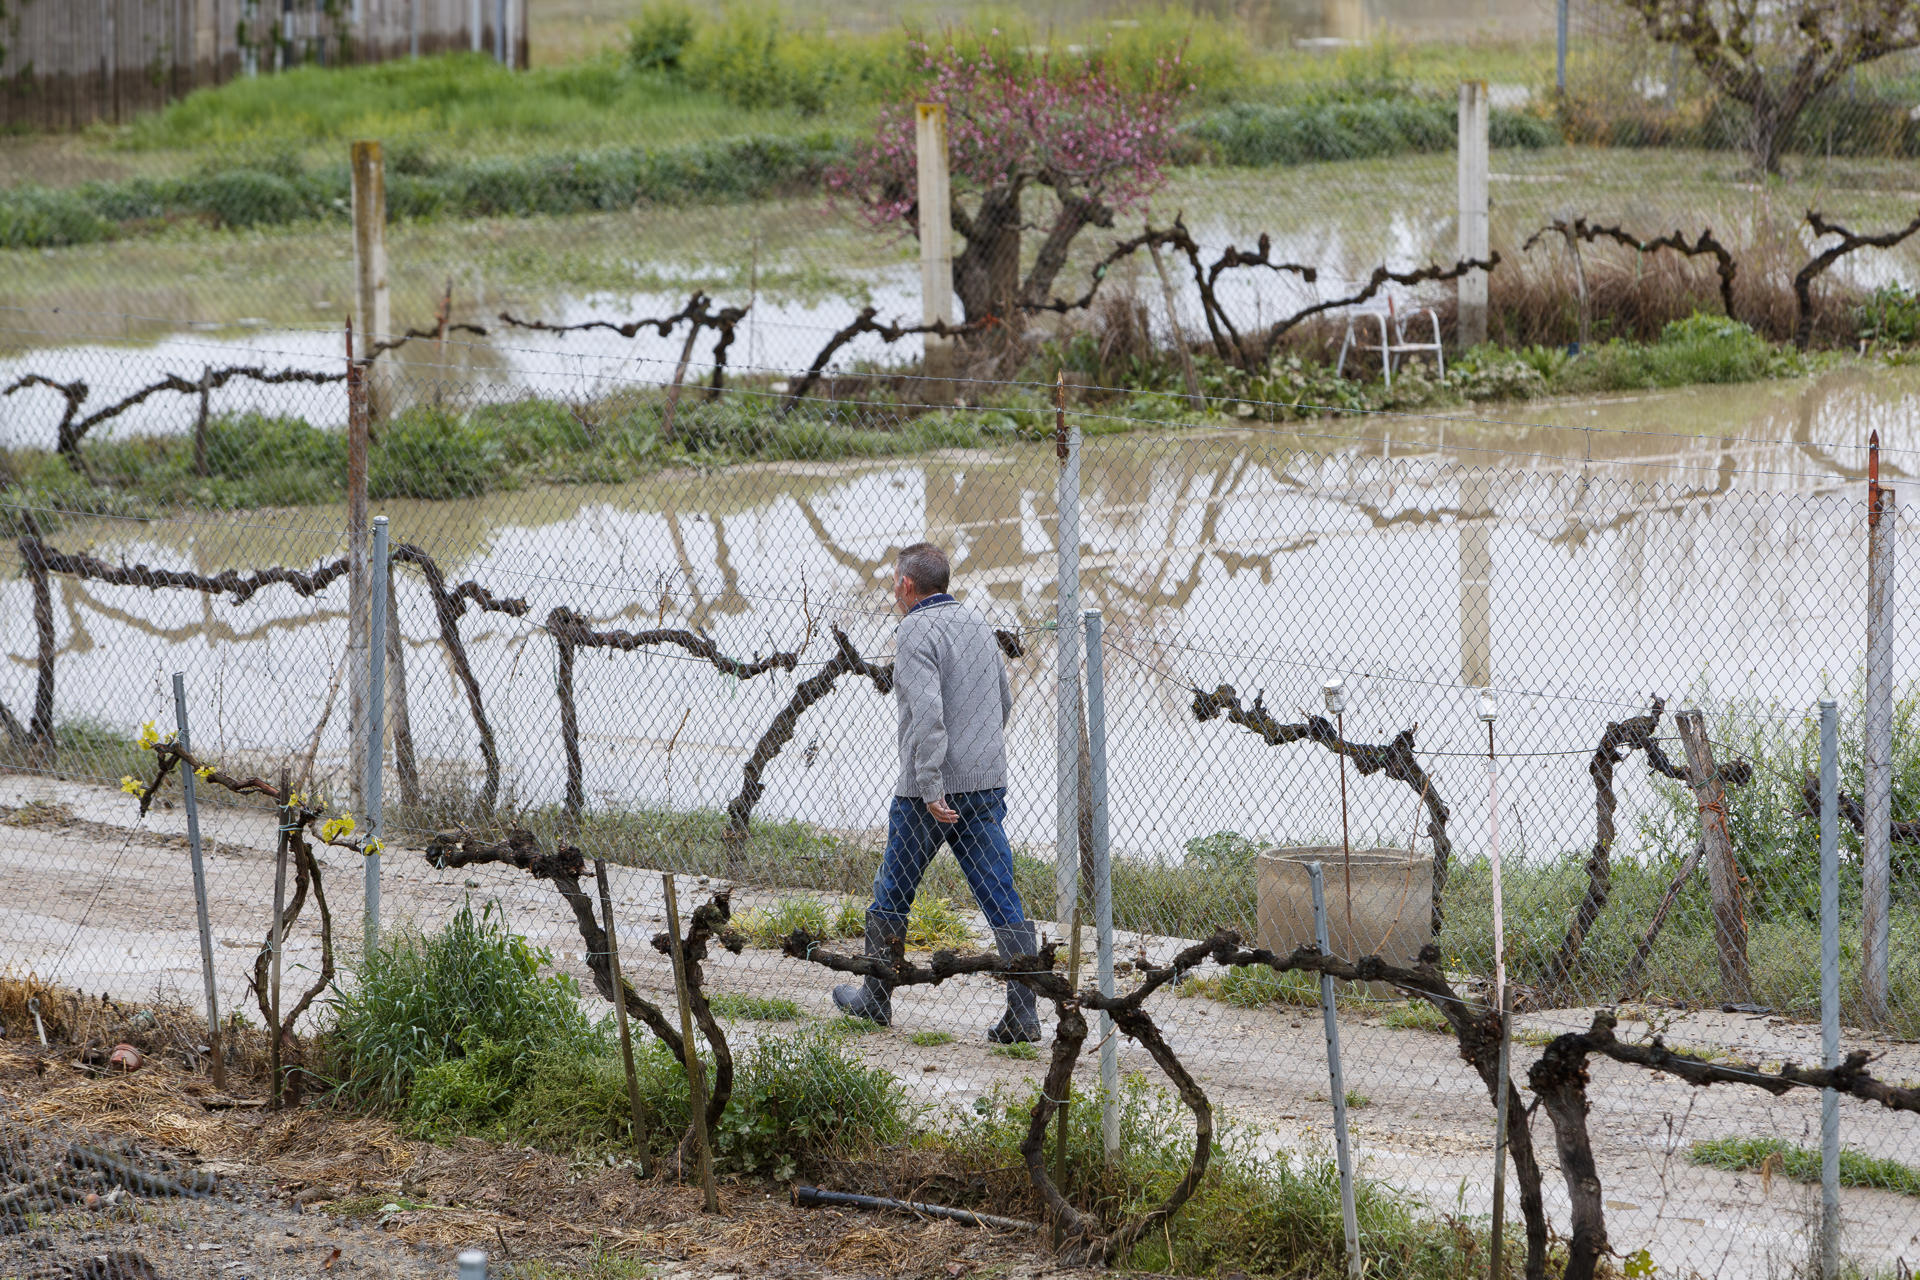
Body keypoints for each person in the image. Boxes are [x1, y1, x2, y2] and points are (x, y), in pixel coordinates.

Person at [832, 542, 1041, 1043]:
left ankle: (875, 998)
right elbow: (1004, 701)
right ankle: (1024, 1012)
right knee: (999, 893)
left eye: (893, 581)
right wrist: (978, 758)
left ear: (906, 584)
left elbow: (927, 716)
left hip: (929, 794)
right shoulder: (977, 624)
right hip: (985, 784)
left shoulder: (913, 630)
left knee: (893, 890)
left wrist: (930, 786)